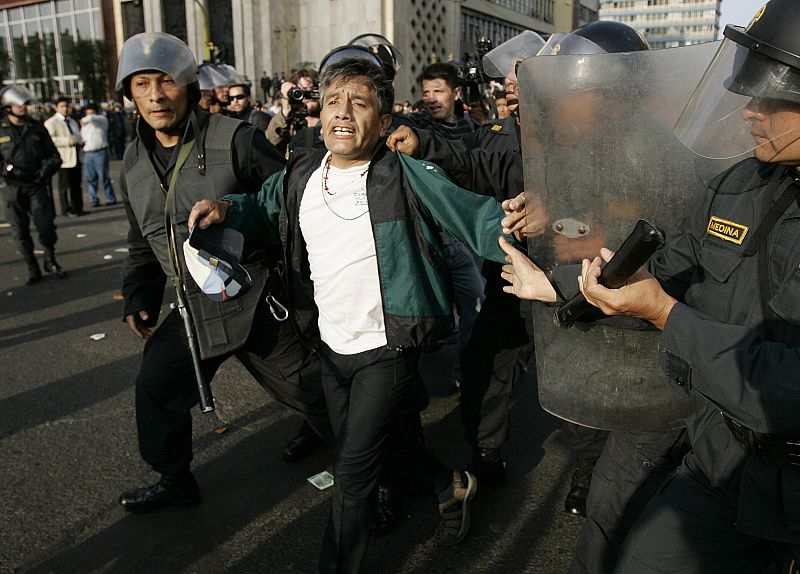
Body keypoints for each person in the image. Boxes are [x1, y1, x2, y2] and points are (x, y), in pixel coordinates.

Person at [500, 1, 800, 571]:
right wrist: (559, 280)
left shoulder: (664, 157)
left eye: (769, 97)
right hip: (722, 447)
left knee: (615, 512)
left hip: (710, 406)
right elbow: (663, 260)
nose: (747, 113)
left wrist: (666, 316)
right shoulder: (743, 183)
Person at [188, 56, 518, 574]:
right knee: (378, 445)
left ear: (384, 123)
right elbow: (263, 206)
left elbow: (474, 217)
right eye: (334, 102)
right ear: (319, 112)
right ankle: (449, 486)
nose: (343, 113)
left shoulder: (402, 173)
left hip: (388, 347)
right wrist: (227, 209)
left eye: (359, 104)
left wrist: (531, 233)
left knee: (351, 475)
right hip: (331, 344)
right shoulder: (302, 174)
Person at [113, 32, 330, 514]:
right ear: (129, 93)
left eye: (166, 81)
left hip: (257, 297)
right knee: (157, 386)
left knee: (314, 391)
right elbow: (141, 240)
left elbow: (294, 205)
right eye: (142, 84)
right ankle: (174, 480)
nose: (155, 94)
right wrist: (138, 294)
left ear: (188, 84)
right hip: (193, 304)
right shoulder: (130, 162)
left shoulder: (237, 139)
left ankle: (378, 473)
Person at [0, 86, 64, 284]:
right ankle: (32, 267)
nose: (24, 108)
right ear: (8, 106)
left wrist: (45, 170)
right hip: (11, 188)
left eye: (26, 104)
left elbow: (54, 156)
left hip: (36, 185)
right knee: (19, 230)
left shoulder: (36, 127)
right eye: (20, 104)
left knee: (45, 226)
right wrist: (6, 172)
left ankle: (50, 259)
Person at [266, 68, 320, 156]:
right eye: (302, 91)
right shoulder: (289, 121)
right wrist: (285, 112)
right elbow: (270, 145)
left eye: (313, 90)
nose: (308, 96)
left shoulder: (331, 120)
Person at [44, 97, 84, 217]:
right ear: (57, 108)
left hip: (76, 156)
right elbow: (50, 140)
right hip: (63, 158)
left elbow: (77, 135)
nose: (65, 109)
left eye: (67, 106)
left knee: (76, 184)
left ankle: (78, 207)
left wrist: (79, 141)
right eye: (62, 106)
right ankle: (66, 209)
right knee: (64, 186)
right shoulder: (51, 122)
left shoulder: (72, 121)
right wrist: (67, 141)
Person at [80, 103, 117, 207]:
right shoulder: (85, 125)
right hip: (88, 152)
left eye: (91, 113)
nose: (88, 116)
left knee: (104, 176)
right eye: (87, 114)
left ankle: (110, 198)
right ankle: (93, 199)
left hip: (100, 152)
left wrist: (86, 118)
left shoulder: (101, 120)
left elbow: (92, 118)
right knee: (90, 178)